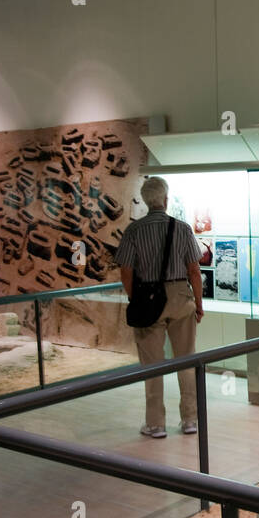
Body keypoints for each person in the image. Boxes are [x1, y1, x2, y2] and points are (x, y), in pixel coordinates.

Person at [115, 176, 204, 438]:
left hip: (148, 298)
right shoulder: (183, 229)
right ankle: (190, 420)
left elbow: (126, 271)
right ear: (165, 199)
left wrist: (135, 299)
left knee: (152, 365)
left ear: (145, 200)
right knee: (186, 360)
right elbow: (194, 270)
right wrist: (198, 303)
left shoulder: (134, 231)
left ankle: (156, 424)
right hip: (180, 296)